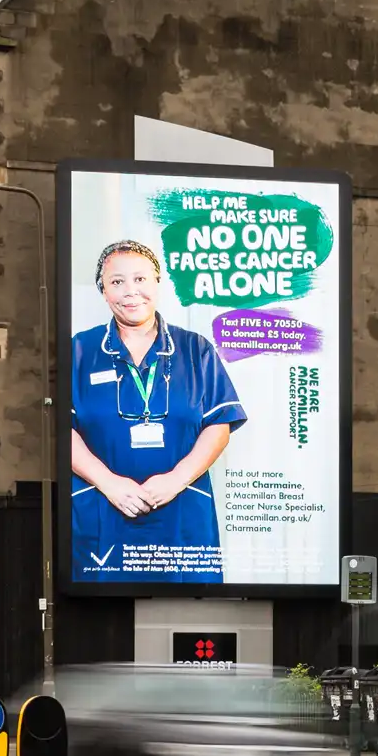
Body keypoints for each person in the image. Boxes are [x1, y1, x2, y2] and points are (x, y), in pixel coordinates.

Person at [70, 240, 247, 583]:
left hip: (180, 513)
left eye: (140, 279)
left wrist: (176, 480)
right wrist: (109, 484)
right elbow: (61, 429)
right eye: (117, 282)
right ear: (103, 292)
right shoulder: (78, 350)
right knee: (100, 618)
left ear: (158, 284)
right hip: (103, 511)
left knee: (191, 614)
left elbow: (219, 424)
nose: (130, 291)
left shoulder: (196, 349)